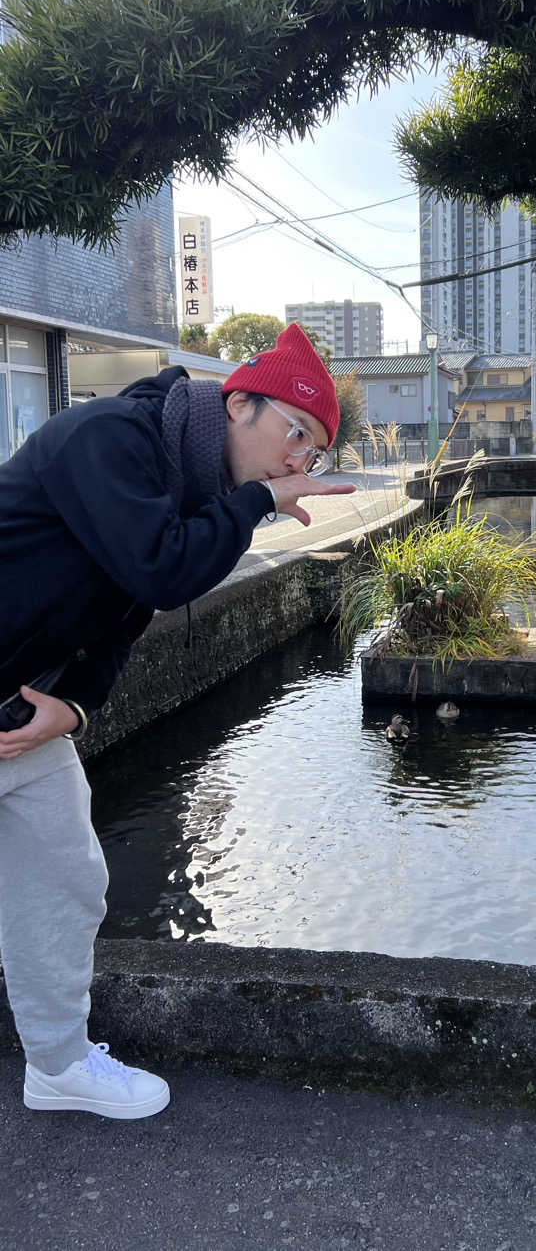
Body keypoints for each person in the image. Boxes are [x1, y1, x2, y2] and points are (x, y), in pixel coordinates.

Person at [0, 322, 355, 1119]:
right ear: (238, 404)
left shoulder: (188, 488)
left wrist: (78, 703)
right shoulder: (114, 440)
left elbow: (125, 614)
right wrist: (259, 500)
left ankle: (56, 1066)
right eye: (294, 432)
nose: (299, 461)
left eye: (314, 450)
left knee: (67, 881)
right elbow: (163, 570)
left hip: (19, 714)